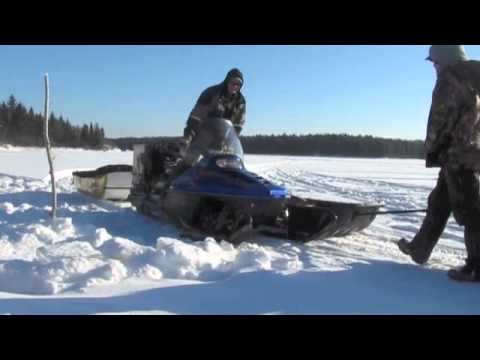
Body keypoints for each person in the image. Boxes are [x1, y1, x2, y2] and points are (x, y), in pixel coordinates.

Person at [397, 45, 480, 282]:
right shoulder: (474, 79)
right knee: (439, 202)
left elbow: (439, 119)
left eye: (435, 62)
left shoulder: (450, 80)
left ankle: (477, 266)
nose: (434, 66)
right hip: (470, 151)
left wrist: (432, 146)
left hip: (457, 155)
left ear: (446, 59)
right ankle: (420, 249)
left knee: (470, 212)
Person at [183, 68, 246, 145]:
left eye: (238, 84)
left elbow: (238, 124)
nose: (235, 86)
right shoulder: (212, 93)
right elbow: (197, 115)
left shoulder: (240, 101)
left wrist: (232, 140)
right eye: (233, 83)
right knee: (191, 154)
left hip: (222, 139)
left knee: (229, 156)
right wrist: (189, 136)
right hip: (202, 134)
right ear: (227, 81)